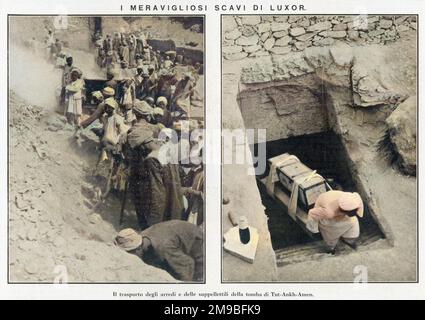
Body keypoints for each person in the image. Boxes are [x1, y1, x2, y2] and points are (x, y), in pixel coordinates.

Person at [127, 128, 184, 229]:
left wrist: (153, 223)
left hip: (161, 214)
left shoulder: (151, 160)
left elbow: (157, 193)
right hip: (175, 204)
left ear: (142, 146)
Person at [114, 221, 203, 281]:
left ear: (138, 249)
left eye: (129, 253)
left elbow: (188, 265)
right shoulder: (143, 237)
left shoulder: (162, 248)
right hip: (179, 235)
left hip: (199, 243)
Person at [307, 190, 364, 255]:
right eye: (353, 212)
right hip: (326, 218)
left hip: (335, 207)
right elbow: (312, 213)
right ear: (345, 211)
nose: (356, 213)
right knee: (331, 234)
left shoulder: (350, 198)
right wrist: (314, 230)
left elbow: (356, 210)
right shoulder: (329, 212)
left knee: (353, 222)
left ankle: (348, 240)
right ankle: (331, 249)